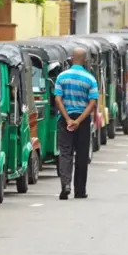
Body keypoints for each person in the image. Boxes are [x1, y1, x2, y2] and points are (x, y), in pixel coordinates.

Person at [54, 48, 98, 200]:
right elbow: (92, 103)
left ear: (72, 59)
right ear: (84, 60)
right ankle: (80, 190)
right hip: (83, 120)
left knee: (65, 153)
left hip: (65, 119)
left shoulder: (61, 77)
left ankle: (65, 185)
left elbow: (58, 100)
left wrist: (67, 119)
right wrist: (79, 121)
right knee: (82, 155)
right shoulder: (90, 79)